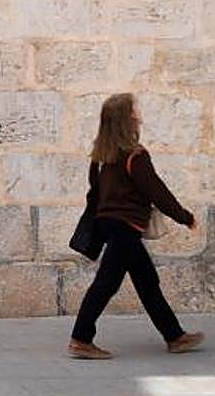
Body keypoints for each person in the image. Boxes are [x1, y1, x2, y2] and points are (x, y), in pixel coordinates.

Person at [68, 93, 204, 360]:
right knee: (107, 283)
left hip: (110, 225)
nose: (139, 114)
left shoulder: (100, 159)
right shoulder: (135, 157)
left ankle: (174, 336)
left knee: (147, 281)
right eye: (135, 110)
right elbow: (157, 191)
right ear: (126, 119)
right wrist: (184, 216)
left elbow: (93, 194)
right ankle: (81, 339)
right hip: (125, 228)